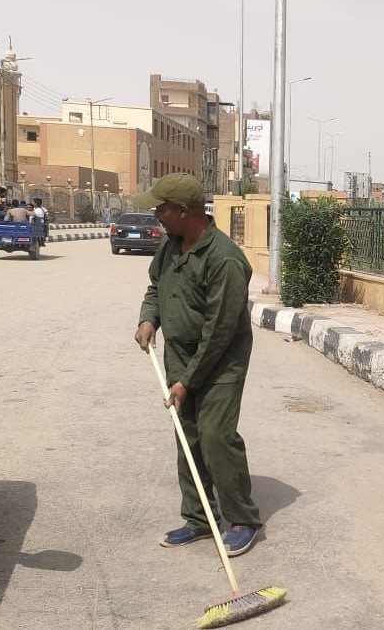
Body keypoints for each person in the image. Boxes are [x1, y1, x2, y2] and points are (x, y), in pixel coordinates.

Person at [133, 173, 261, 556]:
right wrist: (149, 319)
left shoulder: (225, 259)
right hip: (179, 354)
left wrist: (187, 381)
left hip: (220, 359)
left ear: (184, 210)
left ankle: (242, 518)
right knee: (186, 434)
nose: (157, 214)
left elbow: (219, 332)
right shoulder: (170, 246)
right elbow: (156, 288)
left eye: (162, 208)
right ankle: (200, 518)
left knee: (215, 434)